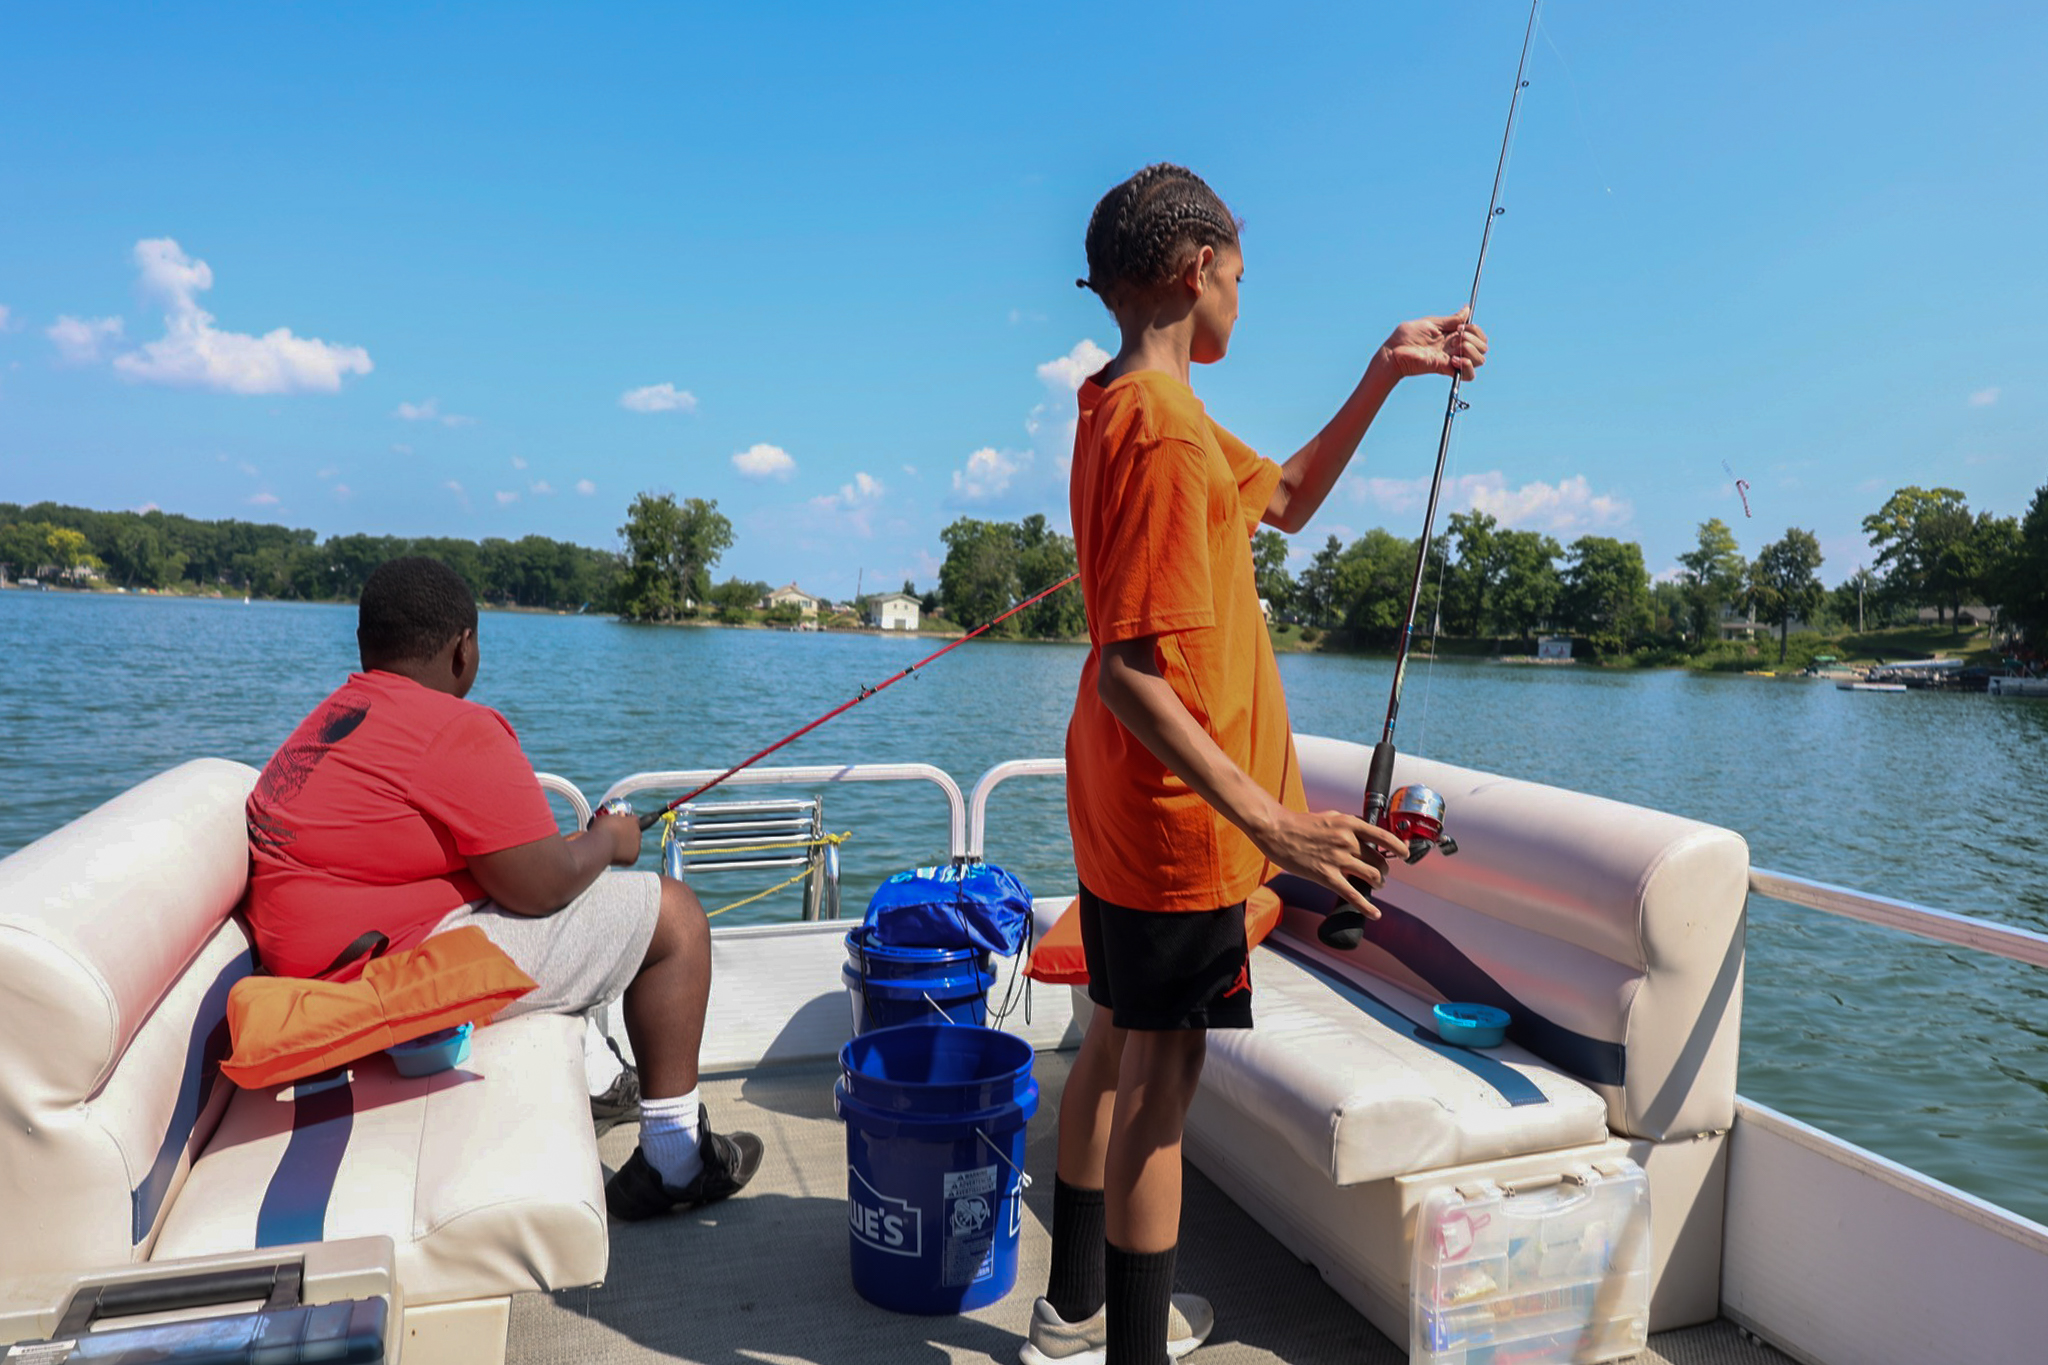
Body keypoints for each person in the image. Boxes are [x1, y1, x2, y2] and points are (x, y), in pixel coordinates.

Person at [1024, 165, 1488, 1365]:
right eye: (1238, 275)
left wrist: (1384, 370)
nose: (1242, 296)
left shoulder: (1123, 404)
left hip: (1120, 801)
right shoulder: (1166, 433)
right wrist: (1271, 825)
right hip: (1176, 820)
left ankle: (1072, 1310)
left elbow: (1282, 498)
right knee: (1159, 1098)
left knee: (1115, 1043)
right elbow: (1129, 667)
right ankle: (1127, 1346)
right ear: (1196, 270)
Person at [243, 555, 761, 1223]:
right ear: (464, 649)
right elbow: (543, 887)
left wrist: (581, 852)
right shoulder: (456, 727)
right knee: (675, 917)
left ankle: (602, 1078)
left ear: (366, 644)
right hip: (386, 987)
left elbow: (501, 871)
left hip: (318, 971)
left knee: (570, 911)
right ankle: (675, 1162)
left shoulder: (329, 721)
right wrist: (611, 839)